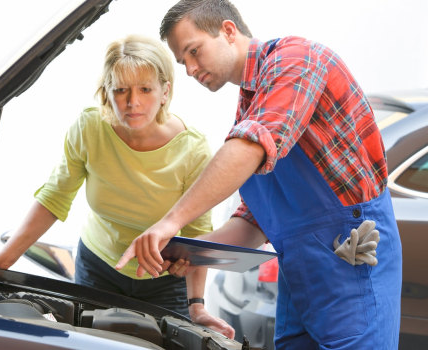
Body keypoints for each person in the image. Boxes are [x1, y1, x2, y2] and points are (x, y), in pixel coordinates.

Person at [115, 1, 402, 349]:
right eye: (182, 61)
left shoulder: (298, 60)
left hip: (351, 262)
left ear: (228, 31)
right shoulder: (252, 103)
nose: (190, 69)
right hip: (302, 279)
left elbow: (250, 146)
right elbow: (254, 222)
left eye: (194, 51)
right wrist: (191, 253)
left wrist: (170, 222)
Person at [0, 34, 234, 338]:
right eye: (120, 89)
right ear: (106, 92)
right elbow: (56, 195)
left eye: (145, 89)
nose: (132, 102)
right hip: (97, 269)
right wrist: (7, 257)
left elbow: (196, 231)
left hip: (163, 282)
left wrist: (197, 306)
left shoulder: (193, 150)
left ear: (165, 92)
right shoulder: (90, 127)